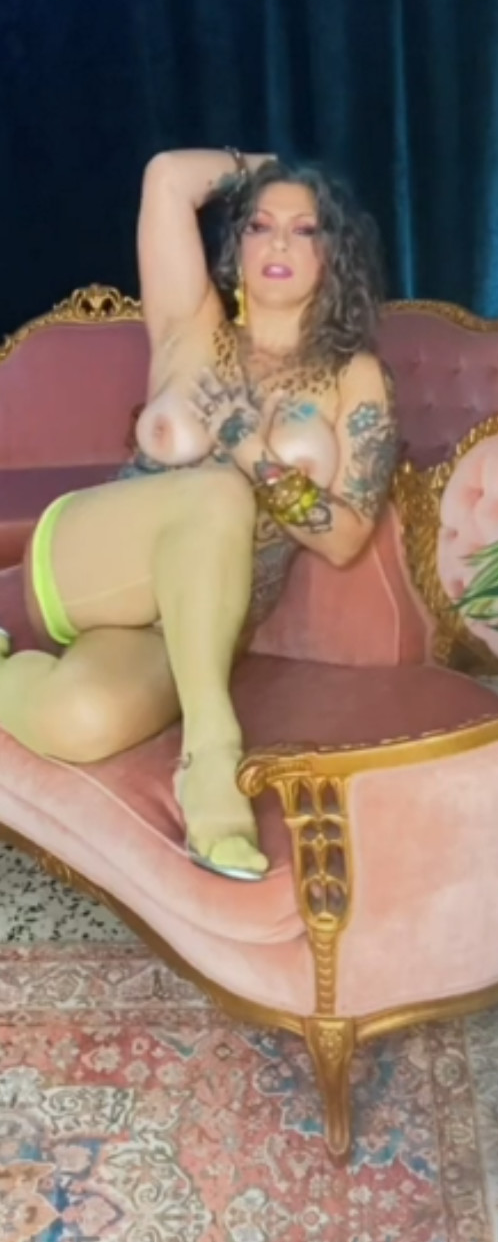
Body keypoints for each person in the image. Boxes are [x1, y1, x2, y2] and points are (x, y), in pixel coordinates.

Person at [0, 148, 398, 881]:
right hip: (91, 563)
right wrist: (277, 164)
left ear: (334, 252)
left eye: (305, 230)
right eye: (260, 225)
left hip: (189, 628)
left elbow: (345, 539)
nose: (278, 244)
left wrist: (250, 447)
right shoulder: (191, 325)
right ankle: (212, 763)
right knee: (217, 492)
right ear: (236, 243)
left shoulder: (356, 379)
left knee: (78, 720)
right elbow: (168, 177)